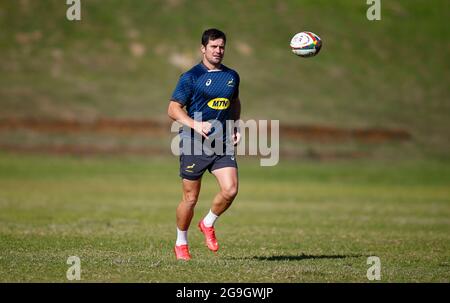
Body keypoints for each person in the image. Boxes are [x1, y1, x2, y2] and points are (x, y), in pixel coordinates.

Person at [167, 28, 241, 261]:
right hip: (193, 143)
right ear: (203, 49)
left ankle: (207, 223)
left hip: (221, 142)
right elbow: (172, 109)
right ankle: (181, 243)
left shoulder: (232, 76)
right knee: (190, 199)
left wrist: (236, 124)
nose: (218, 51)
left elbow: (234, 102)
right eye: (213, 47)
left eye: (221, 47)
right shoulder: (190, 77)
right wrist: (194, 125)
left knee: (230, 190)